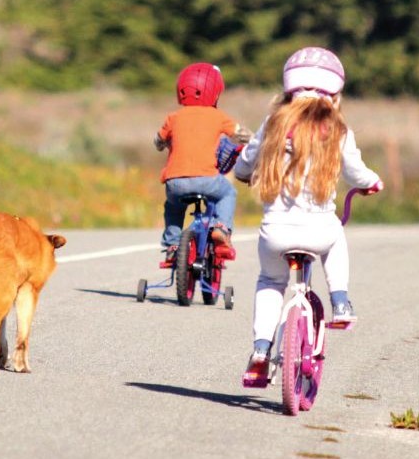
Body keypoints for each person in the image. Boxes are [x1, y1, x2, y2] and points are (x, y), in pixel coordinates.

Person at [233, 47, 383, 385]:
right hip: (319, 229)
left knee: (271, 282)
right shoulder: (338, 129)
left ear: (289, 88)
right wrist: (373, 182)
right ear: (335, 91)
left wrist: (242, 172)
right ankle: (341, 302)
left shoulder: (273, 123)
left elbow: (247, 159)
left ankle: (260, 349)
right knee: (336, 239)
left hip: (275, 233)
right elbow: (356, 171)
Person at [155, 63, 245, 263]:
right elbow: (240, 135)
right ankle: (221, 228)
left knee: (173, 207)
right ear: (215, 92)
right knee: (228, 193)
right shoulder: (218, 116)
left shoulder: (173, 117)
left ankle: (172, 245)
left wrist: (163, 144)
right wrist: (256, 143)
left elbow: (158, 141)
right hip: (207, 179)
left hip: (175, 182)